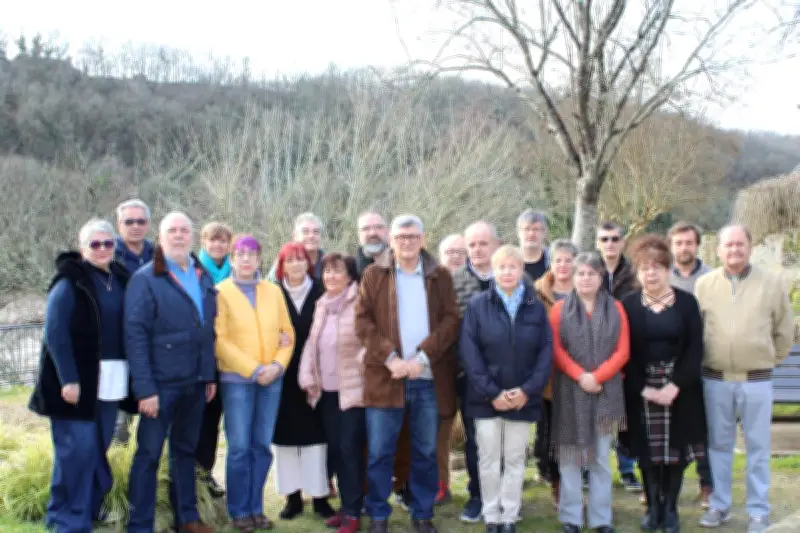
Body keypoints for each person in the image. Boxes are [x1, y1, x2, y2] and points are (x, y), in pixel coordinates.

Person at [355, 214, 460, 533]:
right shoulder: (374, 274)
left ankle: (422, 513)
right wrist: (390, 358)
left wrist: (424, 357)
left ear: (424, 239)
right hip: (386, 379)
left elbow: (451, 320)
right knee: (379, 453)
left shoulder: (439, 275)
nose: (407, 242)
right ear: (392, 240)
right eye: (401, 237)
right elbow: (363, 322)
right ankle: (377, 514)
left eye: (413, 236)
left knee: (425, 452)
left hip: (427, 380)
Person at [29, 219, 136, 532]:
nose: (102, 249)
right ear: (82, 247)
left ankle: (88, 508)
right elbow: (55, 333)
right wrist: (69, 379)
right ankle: (65, 519)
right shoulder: (69, 282)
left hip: (111, 378)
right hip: (76, 383)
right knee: (76, 451)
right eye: (95, 244)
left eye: (107, 243)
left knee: (96, 448)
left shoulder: (119, 278)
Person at [695, 224, 793, 533]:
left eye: (740, 244)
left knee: (758, 448)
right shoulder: (705, 285)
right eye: (729, 245)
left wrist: (766, 359)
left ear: (750, 248)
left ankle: (758, 511)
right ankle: (720, 505)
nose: (734, 250)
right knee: (719, 446)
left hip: (757, 381)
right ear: (718, 250)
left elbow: (784, 331)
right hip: (715, 379)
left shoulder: (772, 284)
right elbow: (697, 331)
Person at [125, 212, 218, 533]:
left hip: (194, 383)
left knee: (185, 452)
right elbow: (134, 336)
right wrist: (145, 389)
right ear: (161, 238)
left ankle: (187, 519)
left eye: (184, 230)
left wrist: (208, 375)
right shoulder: (146, 278)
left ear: (191, 236)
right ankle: (140, 525)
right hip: (160, 386)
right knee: (148, 455)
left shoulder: (201, 274)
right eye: (172, 231)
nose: (179, 235)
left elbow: (207, 331)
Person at [460, 245, 553, 533]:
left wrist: (527, 391)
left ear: (521, 270)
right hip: (485, 398)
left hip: (523, 399)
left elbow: (545, 353)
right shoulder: (478, 305)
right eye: (502, 267)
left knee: (514, 459)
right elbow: (469, 352)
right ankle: (491, 515)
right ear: (494, 270)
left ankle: (509, 515)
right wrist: (492, 392)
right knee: (487, 459)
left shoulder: (535, 308)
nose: (507, 272)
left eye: (513, 267)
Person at [621, 235, 707, 533]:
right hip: (641, 386)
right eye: (645, 268)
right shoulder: (628, 305)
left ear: (668, 269)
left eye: (657, 267)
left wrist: (675, 385)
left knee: (675, 452)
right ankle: (652, 508)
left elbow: (695, 349)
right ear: (637, 272)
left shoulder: (686, 303)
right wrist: (642, 387)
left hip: (680, 388)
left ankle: (670, 507)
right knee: (648, 452)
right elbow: (624, 352)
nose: (651, 273)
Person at [214, 234, 295, 532]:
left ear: (260, 258)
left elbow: (288, 335)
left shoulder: (273, 291)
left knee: (262, 446)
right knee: (238, 448)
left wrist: (276, 366)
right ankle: (238, 510)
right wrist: (253, 369)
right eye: (240, 254)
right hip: (238, 380)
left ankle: (256, 507)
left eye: (252, 254)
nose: (246, 259)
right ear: (232, 258)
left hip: (271, 380)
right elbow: (220, 340)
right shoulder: (220, 292)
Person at [549, 252, 631, 533]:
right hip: (570, 392)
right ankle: (571, 518)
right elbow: (557, 351)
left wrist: (596, 377)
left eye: (591, 274)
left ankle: (601, 518)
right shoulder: (560, 310)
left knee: (599, 459)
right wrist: (581, 376)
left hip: (606, 392)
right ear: (572, 277)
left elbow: (623, 351)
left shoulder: (616, 308)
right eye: (580, 273)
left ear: (601, 278)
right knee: (570, 458)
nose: (585, 278)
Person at [298, 253, 365, 533]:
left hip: (352, 390)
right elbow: (313, 343)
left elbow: (371, 340)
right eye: (326, 272)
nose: (331, 277)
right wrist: (307, 375)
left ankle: (353, 512)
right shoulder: (322, 305)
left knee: (350, 450)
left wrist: (363, 363)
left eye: (338, 272)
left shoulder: (361, 302)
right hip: (326, 392)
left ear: (350, 276)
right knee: (336, 451)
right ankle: (346, 507)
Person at [271, 242, 333, 521]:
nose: (296, 265)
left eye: (301, 259)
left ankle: (320, 497)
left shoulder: (321, 290)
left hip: (316, 374)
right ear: (281, 264)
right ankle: (292, 498)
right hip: (282, 374)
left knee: (316, 439)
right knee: (284, 439)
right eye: (289, 260)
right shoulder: (272, 292)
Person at [451, 220, 501, 522]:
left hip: (509, 375)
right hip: (469, 376)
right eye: (472, 245)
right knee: (475, 439)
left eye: (484, 243)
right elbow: (451, 329)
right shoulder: (454, 281)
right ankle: (477, 496)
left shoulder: (512, 277)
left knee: (506, 441)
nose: (478, 250)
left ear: (496, 244)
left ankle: (505, 498)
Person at [667, 221, 714, 507]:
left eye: (689, 242)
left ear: (697, 245)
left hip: (704, 363)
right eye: (679, 243)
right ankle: (664, 486)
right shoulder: (663, 277)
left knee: (703, 429)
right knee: (670, 430)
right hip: (670, 366)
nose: (684, 248)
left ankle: (707, 484)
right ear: (671, 246)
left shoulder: (711, 277)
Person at [596, 221, 642, 494]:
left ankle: (627, 469)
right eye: (605, 239)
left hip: (630, 354)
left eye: (615, 239)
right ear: (598, 242)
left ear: (623, 242)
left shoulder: (634, 274)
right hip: (596, 356)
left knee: (627, 417)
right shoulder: (589, 271)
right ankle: (593, 468)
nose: (610, 244)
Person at [533, 239, 579, 509]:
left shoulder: (586, 289)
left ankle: (574, 483)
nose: (563, 265)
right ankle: (556, 483)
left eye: (568, 259)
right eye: (558, 259)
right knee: (548, 434)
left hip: (578, 376)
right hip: (547, 376)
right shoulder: (537, 291)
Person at [195, 221, 233, 499]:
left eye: (223, 241)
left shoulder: (238, 268)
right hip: (201, 355)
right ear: (204, 242)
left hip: (229, 358)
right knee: (202, 420)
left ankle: (208, 473)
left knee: (218, 421)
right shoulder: (194, 269)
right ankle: (196, 475)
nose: (218, 245)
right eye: (213, 240)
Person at [112, 199, 154, 444]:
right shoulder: (107, 254)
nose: (135, 226)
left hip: (151, 349)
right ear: (119, 224)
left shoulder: (159, 255)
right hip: (118, 348)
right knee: (118, 426)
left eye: (141, 221)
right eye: (129, 221)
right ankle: (116, 478)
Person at [268, 213, 326, 281]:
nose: (311, 236)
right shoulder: (283, 263)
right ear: (295, 236)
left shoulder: (329, 263)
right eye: (305, 232)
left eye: (316, 232)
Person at [517, 209, 550, 281]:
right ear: (518, 232)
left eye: (536, 229)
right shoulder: (507, 261)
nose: (531, 233)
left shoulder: (554, 261)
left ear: (544, 233)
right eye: (526, 229)